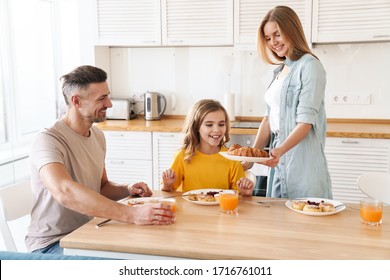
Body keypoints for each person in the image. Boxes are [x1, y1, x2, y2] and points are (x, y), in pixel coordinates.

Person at [26, 65, 175, 254]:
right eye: (102, 98)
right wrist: (131, 214)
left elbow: (101, 188)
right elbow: (65, 191)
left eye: (108, 96)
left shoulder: (97, 136)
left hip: (89, 232)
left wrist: (127, 189)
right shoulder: (48, 140)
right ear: (77, 101)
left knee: (153, 249)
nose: (110, 104)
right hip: (54, 244)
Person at [243, 6, 332, 199]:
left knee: (305, 219)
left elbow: (306, 122)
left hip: (302, 160)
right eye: (268, 38)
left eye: (277, 34)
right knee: (278, 220)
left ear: (291, 30)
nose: (273, 42)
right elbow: (268, 119)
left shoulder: (310, 67)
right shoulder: (280, 71)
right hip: (279, 156)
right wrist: (253, 156)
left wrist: (280, 150)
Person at [161, 99, 254, 196]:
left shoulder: (231, 158)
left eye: (221, 124)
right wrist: (167, 184)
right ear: (196, 126)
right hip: (190, 210)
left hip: (221, 210)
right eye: (209, 125)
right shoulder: (183, 156)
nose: (217, 129)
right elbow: (167, 193)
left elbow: (238, 197)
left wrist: (246, 193)